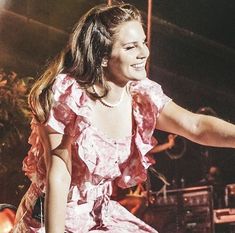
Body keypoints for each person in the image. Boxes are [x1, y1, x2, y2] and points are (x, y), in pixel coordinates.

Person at [12, 2, 235, 233]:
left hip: (98, 214)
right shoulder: (69, 96)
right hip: (52, 217)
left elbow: (196, 125)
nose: (143, 53)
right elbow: (59, 174)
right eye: (130, 47)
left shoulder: (141, 96)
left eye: (143, 42)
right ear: (103, 56)